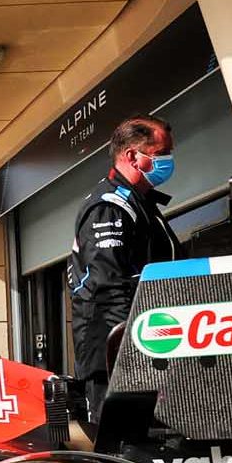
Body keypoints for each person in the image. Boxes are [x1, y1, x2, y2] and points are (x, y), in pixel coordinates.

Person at [68, 114, 179, 427]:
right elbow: (109, 286)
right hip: (116, 359)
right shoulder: (108, 207)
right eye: (162, 154)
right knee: (124, 453)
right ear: (132, 156)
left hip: (148, 347)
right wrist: (132, 352)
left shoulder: (140, 204)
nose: (170, 160)